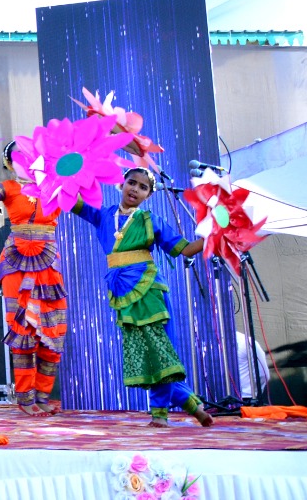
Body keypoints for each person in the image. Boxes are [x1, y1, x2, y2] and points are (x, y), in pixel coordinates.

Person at [69, 167, 214, 428]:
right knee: (147, 353)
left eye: (143, 187)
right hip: (122, 291)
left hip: (148, 290)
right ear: (121, 184)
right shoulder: (104, 215)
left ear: (149, 195)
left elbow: (185, 249)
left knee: (159, 351)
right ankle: (193, 406)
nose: (135, 189)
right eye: (131, 182)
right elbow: (72, 201)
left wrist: (215, 233)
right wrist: (64, 173)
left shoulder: (151, 220)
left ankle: (160, 415)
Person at [0, 141, 68, 416]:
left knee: (54, 331)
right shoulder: (9, 187)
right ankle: (26, 399)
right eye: (19, 157)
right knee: (23, 331)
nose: (27, 160)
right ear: (10, 163)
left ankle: (43, 395)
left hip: (48, 263)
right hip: (16, 262)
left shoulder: (55, 186)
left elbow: (83, 193)